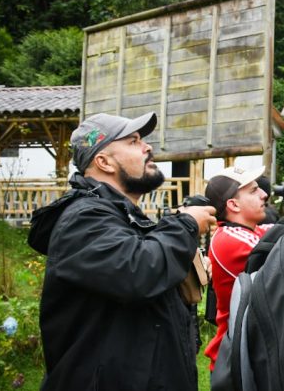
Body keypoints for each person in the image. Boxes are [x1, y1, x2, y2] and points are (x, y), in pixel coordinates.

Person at [28, 112, 216, 390]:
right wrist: (186, 224)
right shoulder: (83, 219)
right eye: (133, 141)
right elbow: (137, 273)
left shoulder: (120, 219)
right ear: (103, 162)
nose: (147, 147)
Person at [202, 165, 271, 370]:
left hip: (249, 351)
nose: (264, 194)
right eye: (253, 190)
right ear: (233, 205)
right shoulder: (230, 239)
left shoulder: (253, 231)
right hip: (238, 358)